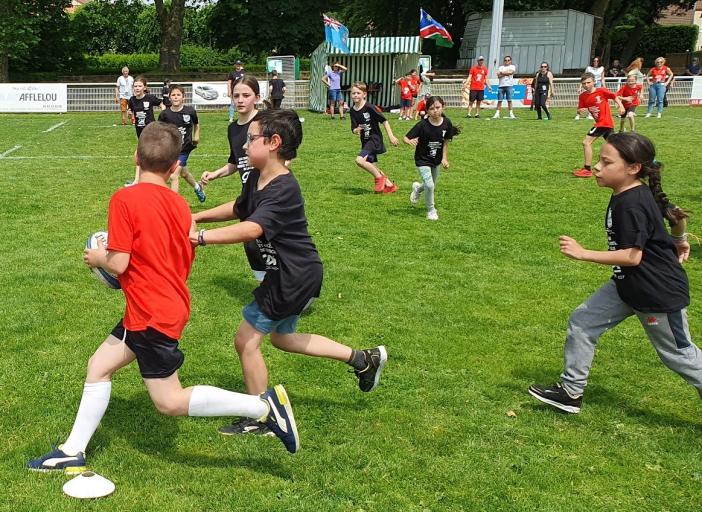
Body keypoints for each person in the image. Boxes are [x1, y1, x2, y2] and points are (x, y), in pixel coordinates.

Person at [26, 122, 301, 473]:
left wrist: (98, 259)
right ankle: (72, 450)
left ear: (135, 157)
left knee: (169, 401)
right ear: (175, 168)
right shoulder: (180, 206)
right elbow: (180, 254)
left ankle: (263, 408)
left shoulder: (123, 199)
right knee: (99, 367)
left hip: (152, 311)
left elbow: (120, 262)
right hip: (161, 303)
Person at [190, 109, 388, 436]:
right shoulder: (257, 176)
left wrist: (199, 238)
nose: (244, 146)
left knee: (246, 341)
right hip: (293, 272)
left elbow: (252, 227)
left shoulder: (284, 188)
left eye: (251, 139)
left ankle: (262, 417)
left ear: (273, 143)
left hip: (291, 275)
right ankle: (363, 359)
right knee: (281, 338)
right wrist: (196, 216)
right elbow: (242, 208)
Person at [528, 132, 700, 414]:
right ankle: (571, 392)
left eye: (607, 162)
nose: (597, 167)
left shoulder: (631, 204)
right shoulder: (632, 192)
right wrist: (679, 240)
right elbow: (676, 214)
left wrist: (583, 253)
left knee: (680, 357)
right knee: (583, 321)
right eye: (599, 160)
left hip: (656, 293)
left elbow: (632, 256)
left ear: (633, 168)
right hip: (628, 285)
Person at [198, 76, 267, 282]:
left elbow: (283, 157)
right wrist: (215, 174)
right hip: (248, 196)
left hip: (266, 194)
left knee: (267, 241)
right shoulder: (233, 128)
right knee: (251, 244)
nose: (240, 100)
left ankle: (288, 288)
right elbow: (235, 162)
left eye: (246, 95)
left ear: (257, 97)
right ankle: (266, 286)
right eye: (236, 95)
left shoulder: (265, 123)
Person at [404, 96, 459, 221]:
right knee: (430, 186)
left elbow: (445, 142)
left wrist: (444, 159)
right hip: (422, 159)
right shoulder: (422, 125)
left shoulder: (447, 123)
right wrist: (410, 141)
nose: (435, 111)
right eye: (431, 108)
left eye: (438, 107)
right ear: (427, 111)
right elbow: (406, 137)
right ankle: (431, 210)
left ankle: (417, 188)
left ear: (443, 107)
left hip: (436, 160)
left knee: (431, 184)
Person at [158, 85, 206, 203]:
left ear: (183, 97)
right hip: (171, 149)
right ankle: (197, 187)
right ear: (169, 98)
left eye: (178, 95)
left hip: (184, 148)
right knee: (184, 173)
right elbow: (159, 129)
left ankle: (173, 204)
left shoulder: (190, 111)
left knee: (174, 176)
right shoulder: (165, 114)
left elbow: (196, 124)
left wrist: (196, 135)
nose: (176, 97)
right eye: (173, 95)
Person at [350, 81, 399, 194]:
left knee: (359, 160)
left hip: (374, 139)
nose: (355, 95)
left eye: (358, 93)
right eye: (353, 93)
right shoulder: (352, 110)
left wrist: (391, 136)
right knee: (372, 165)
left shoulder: (369, 107)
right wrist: (356, 130)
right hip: (365, 140)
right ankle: (390, 186)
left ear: (364, 94)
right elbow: (353, 127)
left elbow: (384, 121)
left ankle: (379, 178)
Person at [573, 72, 625, 178]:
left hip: (603, 123)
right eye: (584, 83)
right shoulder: (582, 96)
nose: (586, 85)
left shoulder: (601, 91)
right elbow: (580, 110)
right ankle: (631, 163)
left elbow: (614, 96)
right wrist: (580, 111)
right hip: (604, 124)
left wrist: (621, 106)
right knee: (615, 146)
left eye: (588, 82)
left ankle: (587, 169)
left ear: (594, 82)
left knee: (586, 142)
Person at [126, 76, 163, 185]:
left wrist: (163, 114)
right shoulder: (132, 100)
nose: (137, 88)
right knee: (150, 155)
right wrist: (129, 114)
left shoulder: (150, 98)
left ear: (144, 87)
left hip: (151, 131)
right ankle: (156, 176)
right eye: (135, 86)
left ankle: (137, 181)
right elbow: (130, 111)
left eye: (139, 86)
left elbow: (161, 104)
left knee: (139, 155)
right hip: (140, 131)